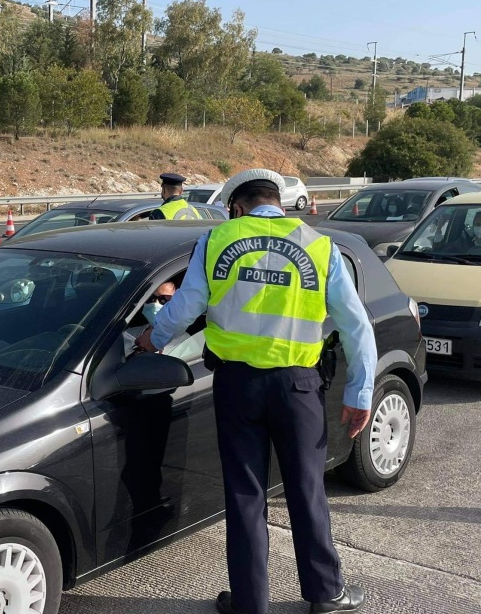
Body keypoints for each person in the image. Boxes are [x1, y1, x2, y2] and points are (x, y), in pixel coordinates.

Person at [134, 168, 377, 614]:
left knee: (245, 493)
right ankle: (326, 593)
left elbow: (187, 306)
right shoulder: (319, 245)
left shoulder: (218, 239)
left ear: (237, 206)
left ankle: (250, 603)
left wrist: (153, 338)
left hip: (236, 385)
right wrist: (360, 393)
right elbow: (356, 324)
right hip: (298, 386)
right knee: (307, 488)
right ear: (279, 203)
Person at [123, 281, 205, 360]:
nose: (155, 303)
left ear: (178, 302)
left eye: (163, 299)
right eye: (151, 298)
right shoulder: (129, 333)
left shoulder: (185, 343)